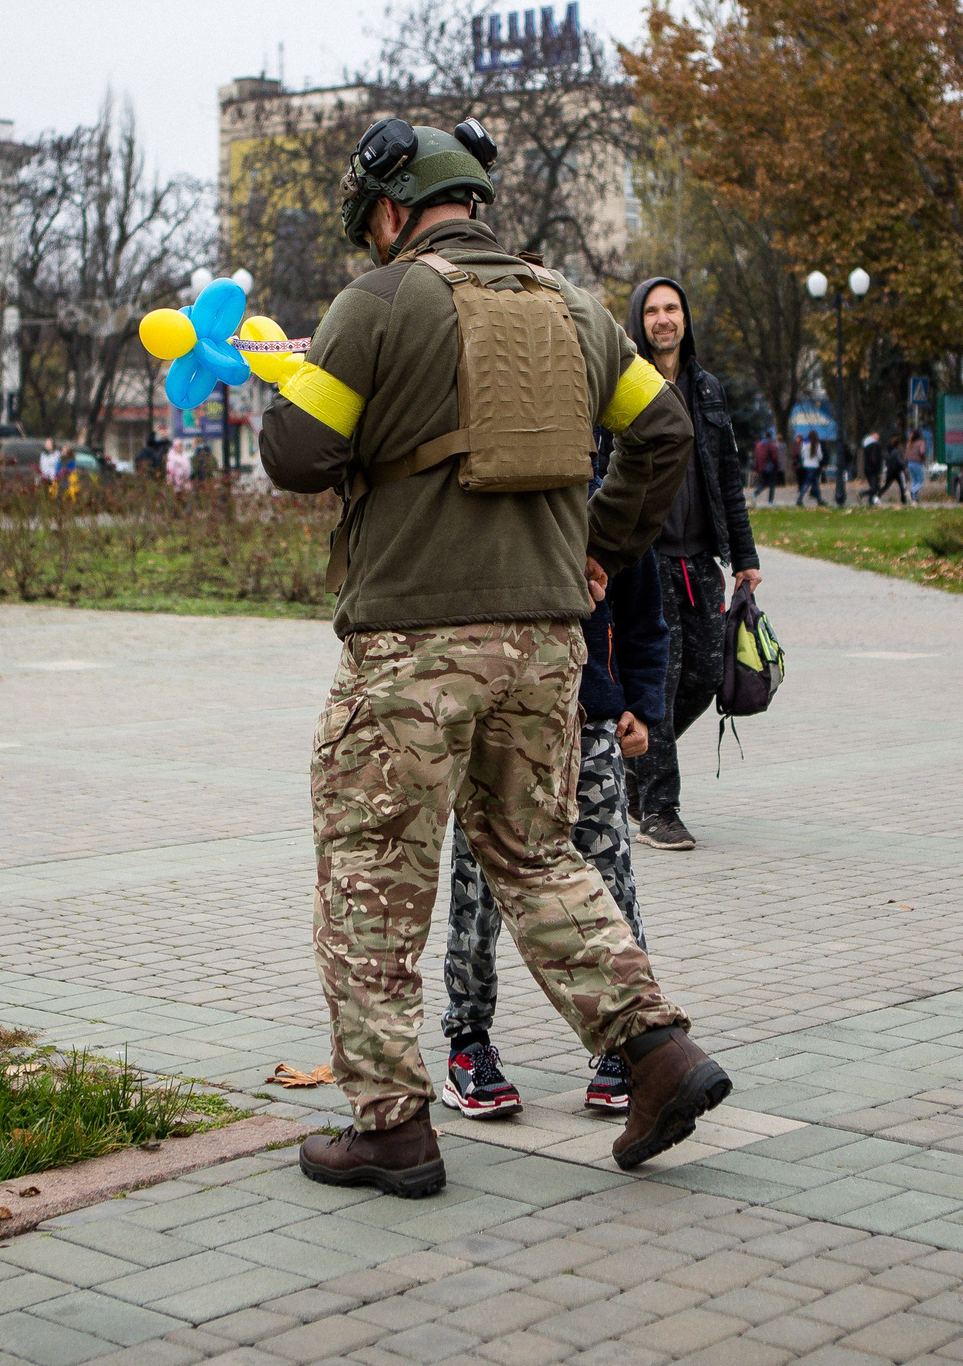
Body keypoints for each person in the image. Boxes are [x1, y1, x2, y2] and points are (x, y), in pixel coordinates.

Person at [258, 116, 721, 1197]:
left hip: (414, 649)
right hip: (548, 644)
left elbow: (296, 456)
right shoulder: (575, 308)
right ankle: (658, 1054)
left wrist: (296, 378)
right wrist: (599, 551)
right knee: (537, 856)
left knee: (373, 875)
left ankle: (391, 1127)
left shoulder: (376, 304)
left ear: (389, 211)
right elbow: (662, 438)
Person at [441, 483, 671, 1119]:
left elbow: (648, 625)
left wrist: (641, 707)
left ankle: (625, 1042)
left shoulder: (604, 514)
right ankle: (468, 1041)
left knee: (609, 886)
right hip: (490, 732)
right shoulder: (479, 506)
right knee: (478, 888)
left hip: (589, 726)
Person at [620, 275, 762, 852]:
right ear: (640, 321)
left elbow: (728, 478)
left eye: (671, 309)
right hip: (647, 559)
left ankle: (633, 762)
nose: (663, 320)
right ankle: (660, 808)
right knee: (663, 680)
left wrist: (746, 557)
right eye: (652, 311)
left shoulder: (707, 390)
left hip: (702, 559)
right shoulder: (627, 385)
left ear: (685, 318)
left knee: (706, 678)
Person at [794, 430, 825, 506]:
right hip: (814, 465)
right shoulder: (817, 444)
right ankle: (800, 499)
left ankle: (819, 500)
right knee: (808, 483)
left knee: (814, 483)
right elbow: (820, 456)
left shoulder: (804, 444)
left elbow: (802, 454)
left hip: (806, 465)